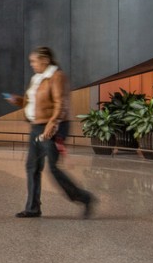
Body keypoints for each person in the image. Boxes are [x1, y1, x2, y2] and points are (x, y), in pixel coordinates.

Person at [8, 46, 95, 219]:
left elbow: (60, 103)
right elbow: (34, 102)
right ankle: (33, 208)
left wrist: (53, 123)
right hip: (37, 126)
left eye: (34, 61)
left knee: (53, 168)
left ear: (45, 60)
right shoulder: (37, 78)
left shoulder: (57, 76)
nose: (32, 64)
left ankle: (85, 198)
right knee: (32, 167)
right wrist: (20, 101)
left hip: (54, 126)